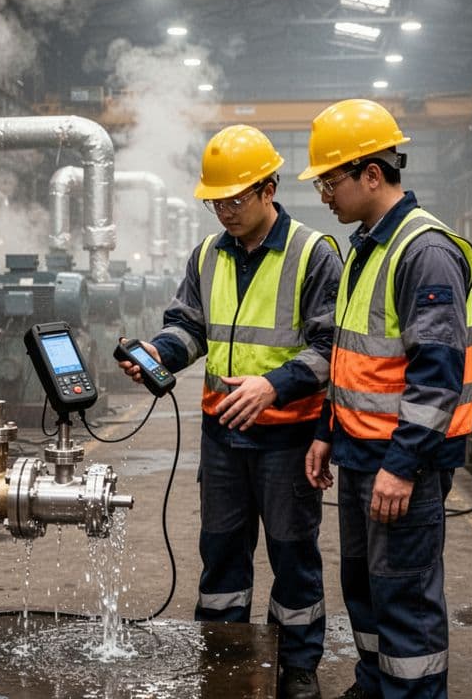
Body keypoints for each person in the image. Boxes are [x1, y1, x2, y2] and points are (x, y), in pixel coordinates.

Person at [115, 124, 342, 699]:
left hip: (287, 438)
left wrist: (274, 386)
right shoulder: (207, 255)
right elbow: (189, 328)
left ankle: (297, 664)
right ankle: (223, 653)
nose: (224, 211)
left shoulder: (314, 254)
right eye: (215, 200)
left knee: (293, 555)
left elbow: (331, 349)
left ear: (269, 189)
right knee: (220, 552)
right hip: (222, 436)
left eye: (235, 198)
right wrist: (157, 354)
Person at [300, 100, 472, 699]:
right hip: (359, 455)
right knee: (367, 589)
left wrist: (402, 467)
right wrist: (327, 429)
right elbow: (351, 356)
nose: (324, 192)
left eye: (331, 179)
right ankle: (375, 686)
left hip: (403, 462)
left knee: (404, 597)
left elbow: (437, 375)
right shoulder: (367, 245)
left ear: (372, 173)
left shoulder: (424, 251)